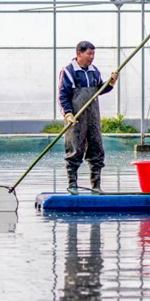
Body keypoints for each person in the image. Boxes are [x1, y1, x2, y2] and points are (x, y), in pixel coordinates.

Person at [58, 41, 118, 195]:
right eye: (89, 54)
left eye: (93, 54)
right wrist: (68, 114)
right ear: (79, 54)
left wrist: (110, 83)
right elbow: (63, 95)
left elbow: (98, 90)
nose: (92, 57)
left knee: (96, 150)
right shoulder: (69, 71)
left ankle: (96, 186)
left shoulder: (94, 71)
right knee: (74, 150)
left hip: (93, 117)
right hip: (75, 118)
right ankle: (72, 185)